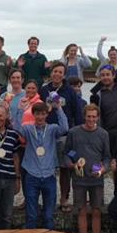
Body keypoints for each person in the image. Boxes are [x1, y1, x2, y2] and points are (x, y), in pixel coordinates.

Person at [14, 101, 68, 230]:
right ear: (33, 115)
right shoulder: (28, 129)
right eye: (37, 114)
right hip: (32, 176)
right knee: (31, 215)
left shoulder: (52, 129)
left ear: (46, 115)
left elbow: (65, 128)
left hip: (49, 175)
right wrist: (20, 110)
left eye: (43, 114)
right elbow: (16, 128)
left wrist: (59, 108)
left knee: (49, 215)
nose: (40, 117)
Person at [39, 62, 81, 212]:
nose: (57, 74)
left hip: (65, 135)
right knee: (46, 168)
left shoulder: (70, 91)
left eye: (60, 72)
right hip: (46, 134)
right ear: (51, 73)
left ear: (64, 75)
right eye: (55, 71)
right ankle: (46, 199)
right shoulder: (44, 90)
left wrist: (77, 134)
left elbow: (77, 114)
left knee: (65, 168)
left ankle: (64, 198)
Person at [64, 104, 110, 233]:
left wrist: (103, 169)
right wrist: (72, 165)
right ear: (84, 116)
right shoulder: (73, 132)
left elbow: (106, 157)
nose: (91, 119)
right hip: (79, 179)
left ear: (98, 117)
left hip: (96, 178)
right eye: (88, 116)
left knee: (97, 211)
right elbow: (68, 153)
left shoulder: (103, 134)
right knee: (81, 210)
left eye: (94, 117)